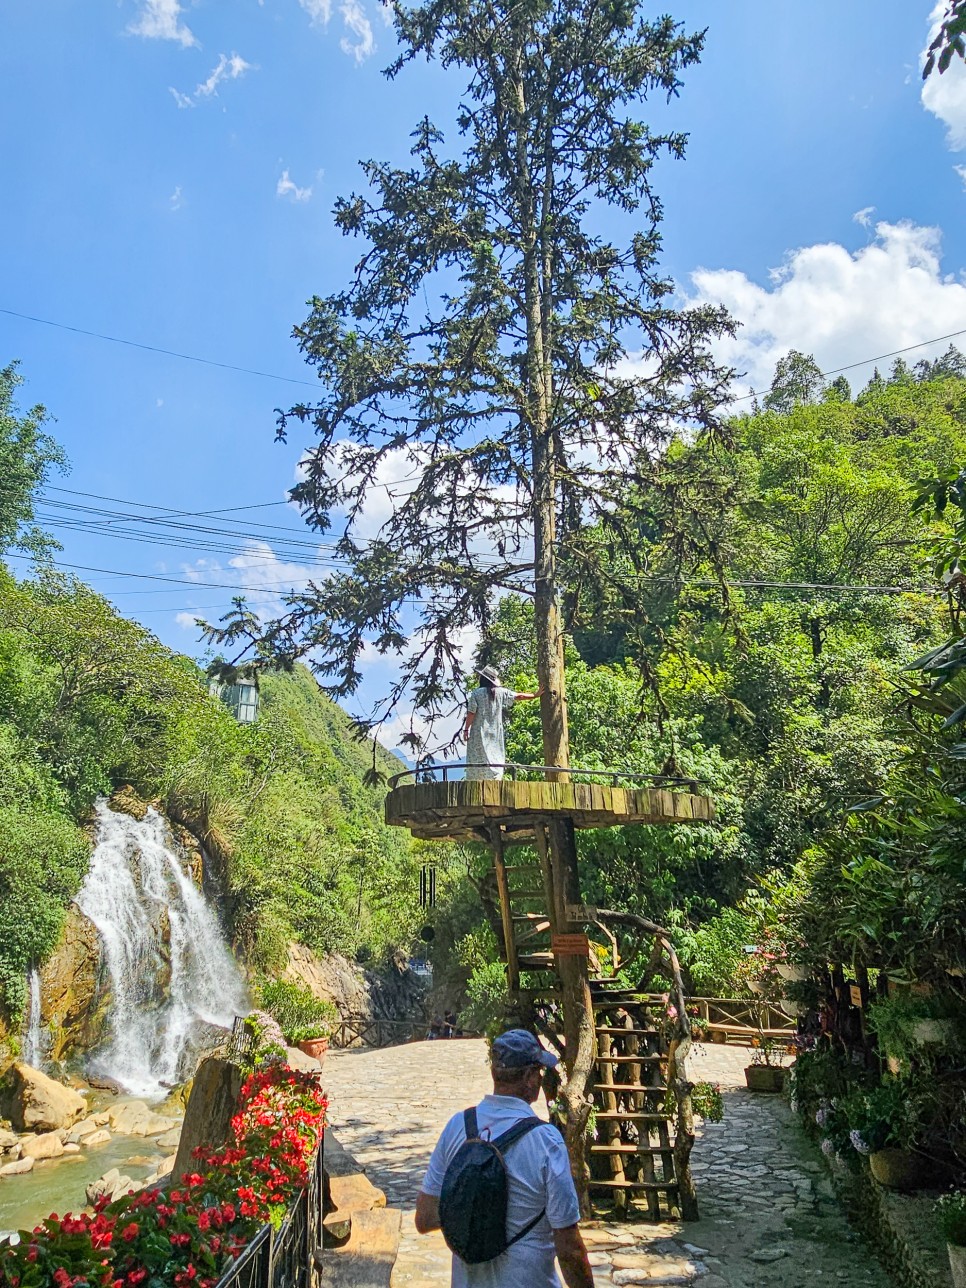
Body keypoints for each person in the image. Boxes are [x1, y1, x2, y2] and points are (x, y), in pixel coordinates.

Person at [414, 1029, 593, 1288]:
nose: (541, 1079)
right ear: (530, 1078)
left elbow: (425, 1218)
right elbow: (569, 1246)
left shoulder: (458, 1127)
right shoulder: (546, 1141)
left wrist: (474, 1210)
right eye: (540, 1073)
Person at [461, 666, 543, 781]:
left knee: (477, 758)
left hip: (478, 733)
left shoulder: (476, 694)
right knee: (495, 756)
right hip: (495, 733)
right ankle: (495, 778)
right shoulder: (501, 693)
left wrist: (466, 729)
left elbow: (471, 713)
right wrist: (535, 695)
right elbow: (519, 696)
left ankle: (477, 781)